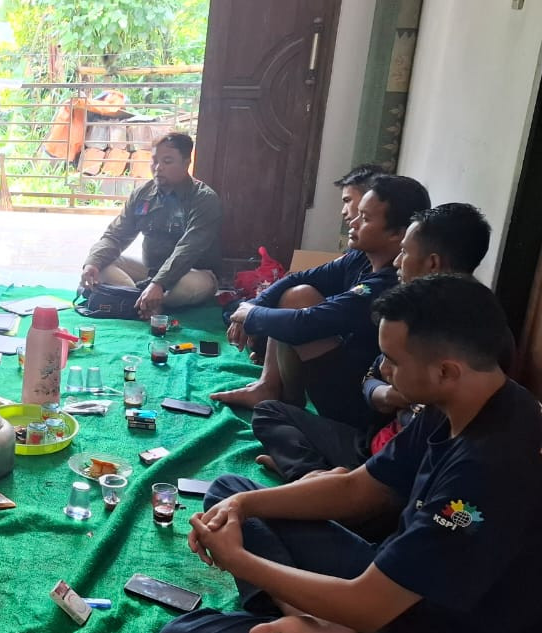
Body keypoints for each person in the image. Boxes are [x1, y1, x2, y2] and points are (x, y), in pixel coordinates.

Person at [155, 275, 542, 633]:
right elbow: (361, 488)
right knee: (230, 492)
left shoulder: (487, 473)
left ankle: (329, 628)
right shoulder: (462, 402)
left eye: (392, 360)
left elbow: (370, 605)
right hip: (394, 586)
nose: (384, 371)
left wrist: (240, 561)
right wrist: (245, 503)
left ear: (446, 370)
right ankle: (315, 621)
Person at [251, 203, 493, 488]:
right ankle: (311, 476)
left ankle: (315, 481)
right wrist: (383, 394)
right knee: (269, 411)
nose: (397, 261)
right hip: (372, 442)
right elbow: (373, 373)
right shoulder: (408, 304)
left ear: (432, 263)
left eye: (405, 252)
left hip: (390, 468)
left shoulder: (463, 332)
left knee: (230, 493)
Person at [211, 174, 431, 428]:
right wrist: (252, 306)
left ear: (398, 234)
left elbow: (306, 324)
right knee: (298, 293)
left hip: (358, 399)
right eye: (357, 213)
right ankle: (267, 387)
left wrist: (250, 315)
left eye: (366, 218)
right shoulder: (360, 258)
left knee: (295, 315)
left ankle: (289, 409)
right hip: (345, 367)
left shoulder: (390, 284)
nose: (352, 221)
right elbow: (299, 278)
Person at [79, 132, 222, 319]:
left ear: (186, 163)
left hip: (191, 274)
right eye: (154, 160)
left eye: (167, 161)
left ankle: (133, 300)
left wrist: (159, 284)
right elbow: (115, 235)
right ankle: (142, 303)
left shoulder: (204, 199)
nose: (158, 167)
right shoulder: (142, 194)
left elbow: (188, 250)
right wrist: (92, 264)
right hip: (149, 273)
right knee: (102, 264)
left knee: (189, 287)